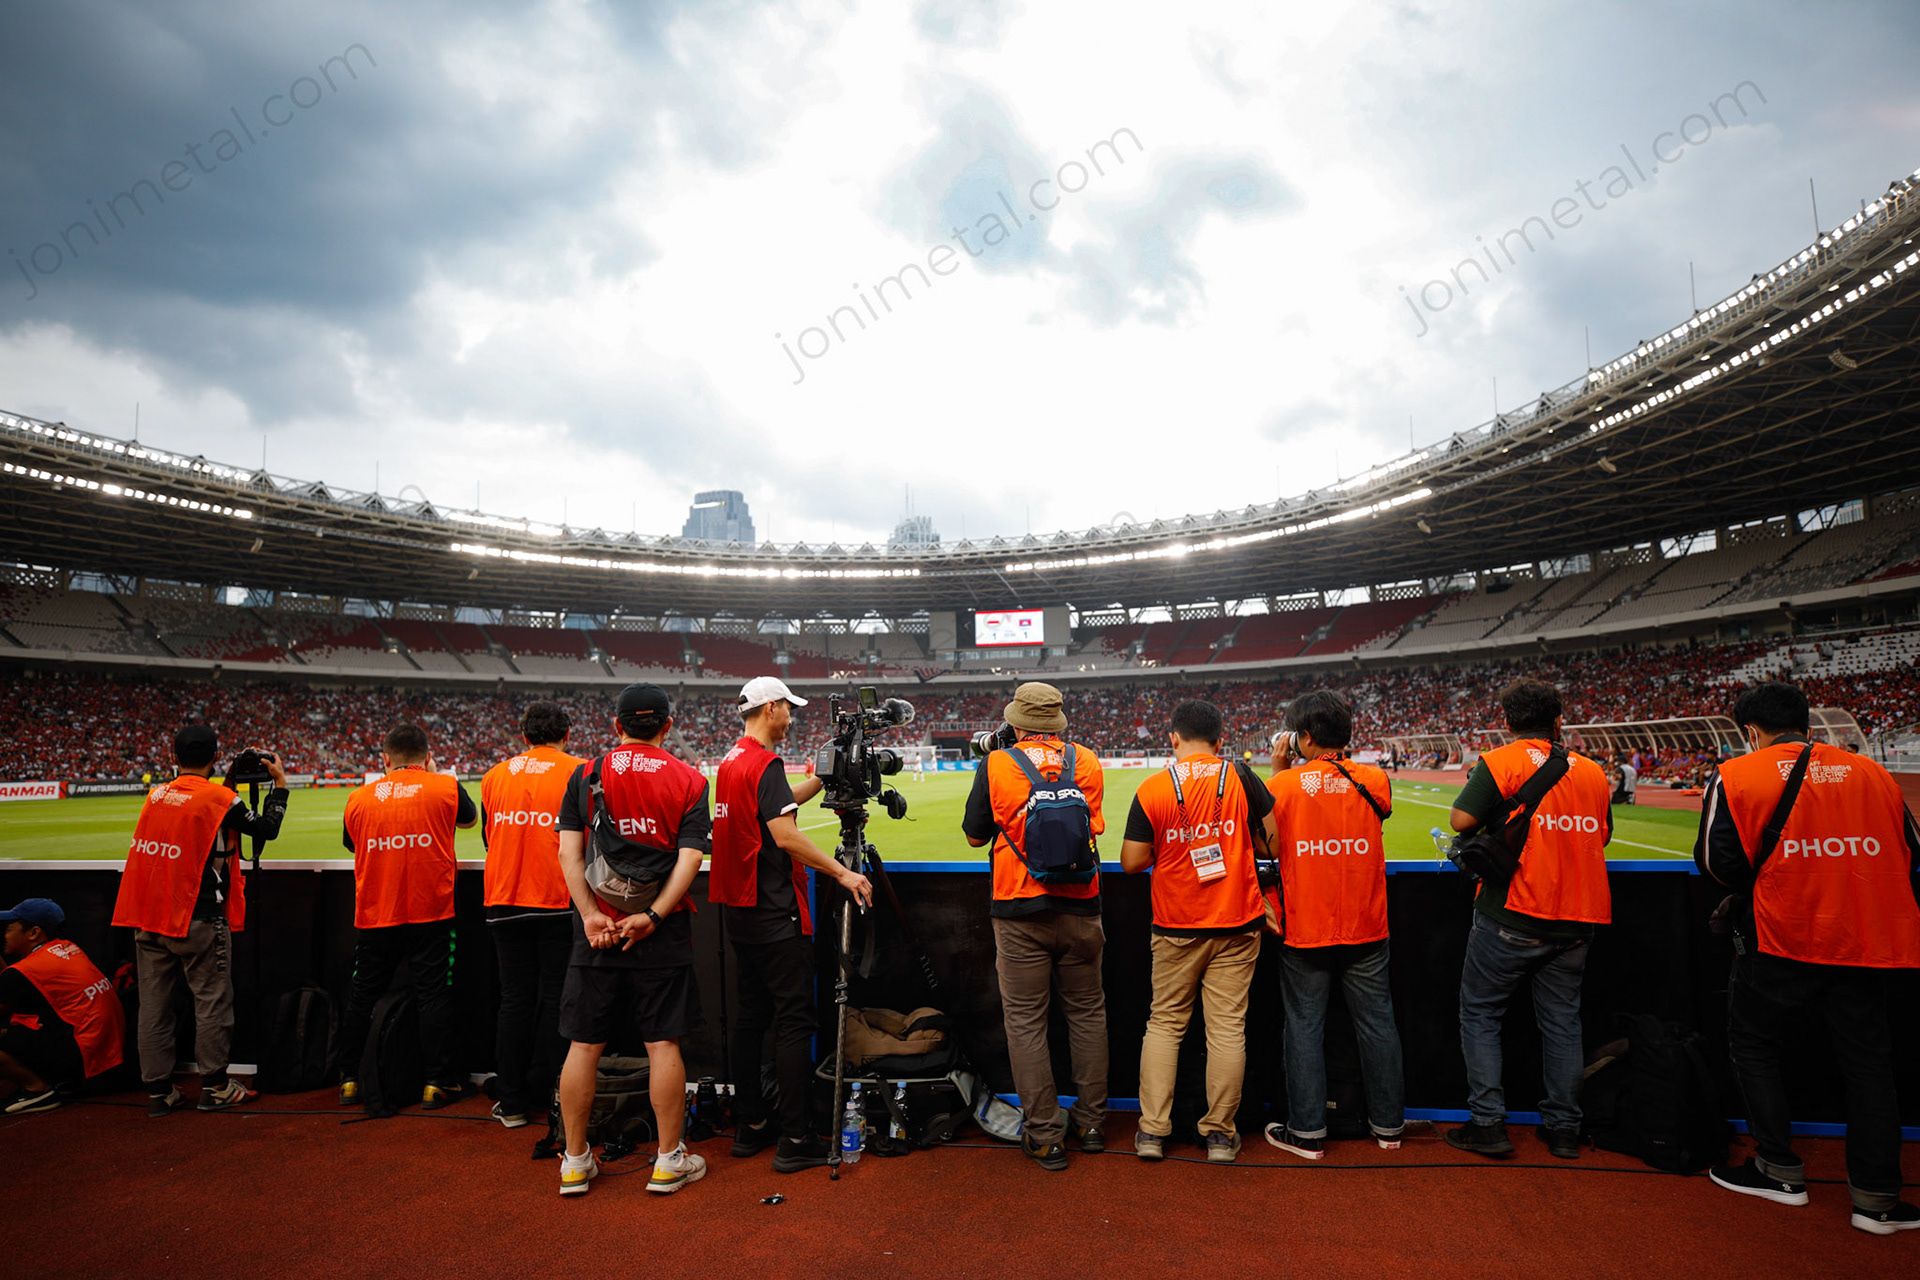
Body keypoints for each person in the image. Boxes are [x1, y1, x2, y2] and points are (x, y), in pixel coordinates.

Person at [1696, 681, 1920, 1234]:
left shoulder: (1737, 775)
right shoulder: (1874, 774)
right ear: (1810, 725)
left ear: (1750, 732)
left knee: (1754, 1044)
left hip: (1780, 936)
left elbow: (1715, 863)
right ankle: (1878, 1199)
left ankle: (1778, 1170)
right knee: (1869, 1065)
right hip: (1865, 939)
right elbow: (1910, 854)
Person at [554, 683, 710, 1197]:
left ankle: (575, 1162)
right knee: (662, 1042)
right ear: (668, 726)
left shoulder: (585, 773)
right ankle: (668, 1162)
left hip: (595, 927)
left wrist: (592, 917)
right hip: (659, 930)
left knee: (584, 1044)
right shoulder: (689, 778)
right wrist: (653, 916)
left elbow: (569, 857)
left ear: (616, 725)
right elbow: (690, 859)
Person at [1446, 679, 1612, 1161]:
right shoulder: (1593, 772)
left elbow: (1460, 820)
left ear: (1507, 721)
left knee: (1480, 1014)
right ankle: (1563, 1130)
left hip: (1514, 909)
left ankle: (1488, 1126)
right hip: (1580, 915)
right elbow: (1599, 837)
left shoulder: (1502, 761)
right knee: (1562, 1023)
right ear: (1559, 720)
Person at [711, 675, 872, 1173]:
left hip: (740, 909)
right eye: (789, 709)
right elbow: (784, 835)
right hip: (774, 909)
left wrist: (824, 778)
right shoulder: (764, 762)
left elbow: (771, 808)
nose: (792, 716)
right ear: (772, 708)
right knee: (794, 1021)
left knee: (750, 1018)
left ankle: (750, 1127)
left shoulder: (734, 761)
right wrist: (843, 872)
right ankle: (795, 1137)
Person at [1120, 699, 1276, 1164]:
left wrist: (1171, 850)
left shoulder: (1153, 788)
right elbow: (1273, 842)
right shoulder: (1244, 777)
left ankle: (1151, 1132)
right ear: (1221, 739)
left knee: (1165, 1024)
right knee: (1227, 1029)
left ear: (1173, 738)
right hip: (1237, 921)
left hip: (1175, 925)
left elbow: (1131, 861)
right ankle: (1220, 1136)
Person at [962, 681, 1109, 1171]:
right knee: (1087, 1014)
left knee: (1026, 1023)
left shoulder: (997, 762)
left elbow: (972, 836)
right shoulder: (1085, 760)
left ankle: (1045, 1136)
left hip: (1019, 907)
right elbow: (1096, 825)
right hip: (1082, 905)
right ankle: (1091, 1124)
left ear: (1015, 723)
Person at [110, 724, 288, 1115]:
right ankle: (216, 1085)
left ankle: (159, 1091)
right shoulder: (218, 797)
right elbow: (266, 829)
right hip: (196, 915)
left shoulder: (157, 794)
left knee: (153, 1007)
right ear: (215, 754)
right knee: (211, 1001)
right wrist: (279, 786)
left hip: (147, 915)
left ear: (174, 757)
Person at [1263, 690, 1405, 1160]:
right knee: (1379, 1025)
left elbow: (1266, 844)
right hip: (1366, 922)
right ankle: (1388, 1126)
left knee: (1304, 1026)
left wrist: (1282, 770)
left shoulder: (1282, 786)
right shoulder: (1375, 779)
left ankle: (1307, 1133)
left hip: (1305, 925)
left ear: (1302, 737)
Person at [338, 723, 478, 1110]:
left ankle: (349, 1079)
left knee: (362, 994)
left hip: (375, 910)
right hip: (430, 909)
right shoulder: (445, 786)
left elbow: (352, 842)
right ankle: (437, 1082)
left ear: (384, 760)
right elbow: (468, 821)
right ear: (428, 757)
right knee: (433, 993)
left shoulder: (359, 798)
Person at [480, 701, 586, 1129]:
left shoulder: (493, 776)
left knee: (514, 1001)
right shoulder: (579, 770)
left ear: (524, 735)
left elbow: (491, 837)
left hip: (504, 899)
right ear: (567, 734)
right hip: (558, 899)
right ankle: (560, 1099)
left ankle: (511, 1100)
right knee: (559, 1001)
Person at [0, 899, 125, 1114]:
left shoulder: (29, 969)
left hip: (85, 1058)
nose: (3, 935)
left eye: (9, 929)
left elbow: (10, 984)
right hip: (107, 1055)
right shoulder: (67, 948)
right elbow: (8, 983)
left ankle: (37, 1090)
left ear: (33, 933)